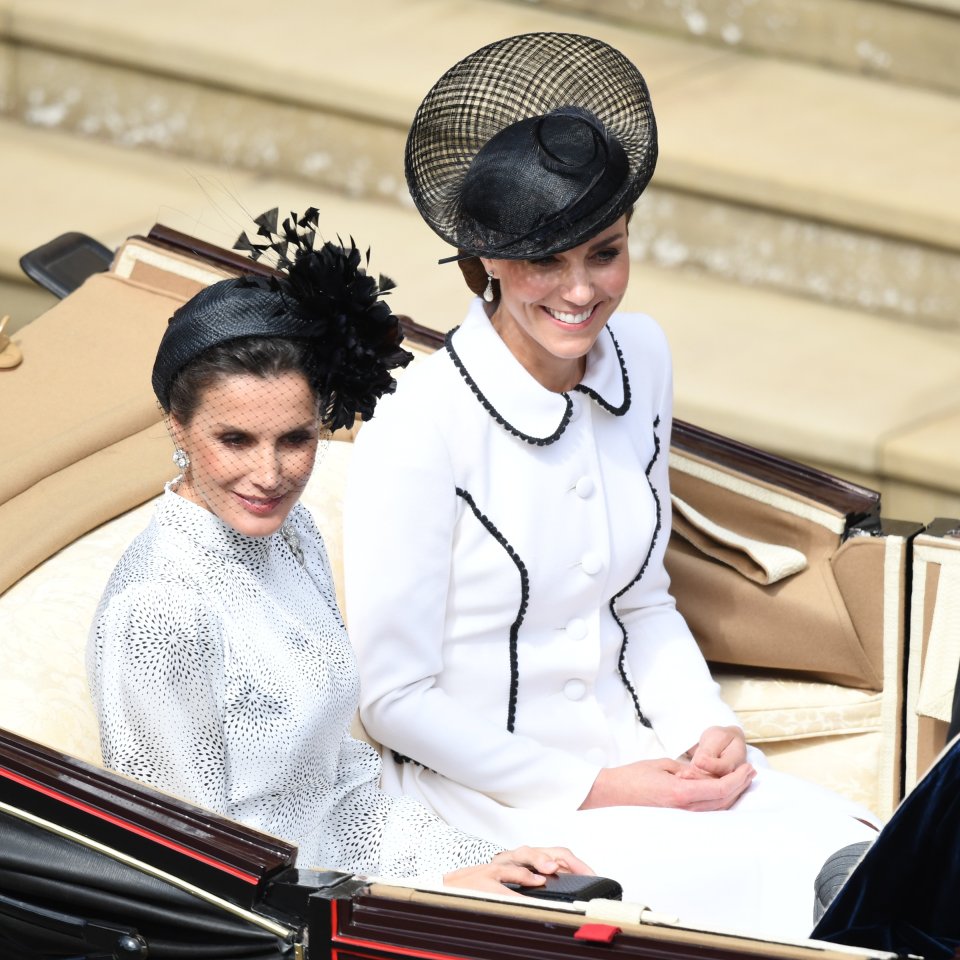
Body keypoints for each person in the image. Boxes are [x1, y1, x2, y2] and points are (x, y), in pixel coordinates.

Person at [342, 33, 879, 938]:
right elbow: (391, 701)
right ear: (486, 263)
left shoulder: (645, 356)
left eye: (605, 252)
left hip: (652, 758)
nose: (581, 291)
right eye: (546, 260)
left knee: (866, 857)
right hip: (506, 798)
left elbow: (642, 603)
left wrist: (706, 731)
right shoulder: (418, 423)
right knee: (785, 911)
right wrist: (596, 787)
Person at [87, 207, 589, 895]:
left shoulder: (292, 533)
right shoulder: (158, 607)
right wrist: (426, 895)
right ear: (177, 426)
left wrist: (473, 858)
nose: (270, 475)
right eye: (234, 440)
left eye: (295, 439)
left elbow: (335, 785)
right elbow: (192, 865)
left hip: (344, 883)